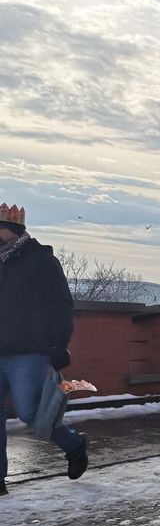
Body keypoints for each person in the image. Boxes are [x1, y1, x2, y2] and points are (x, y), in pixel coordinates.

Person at [0, 202, 88, 495]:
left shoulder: (41, 261)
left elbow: (60, 305)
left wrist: (59, 344)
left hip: (28, 350)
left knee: (31, 412)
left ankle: (74, 445)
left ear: (12, 231)